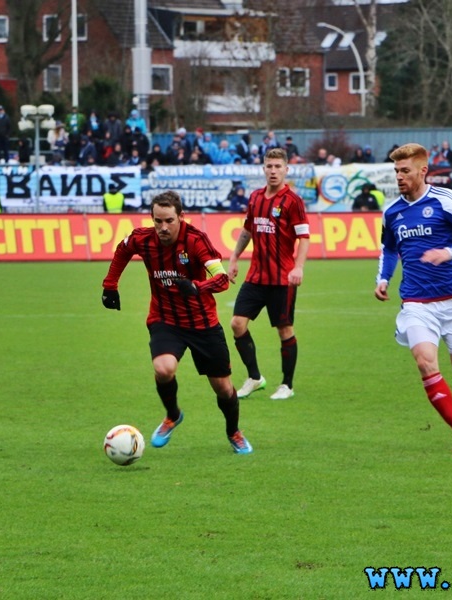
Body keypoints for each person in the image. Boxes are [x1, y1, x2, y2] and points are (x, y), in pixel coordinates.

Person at [100, 191, 252, 455]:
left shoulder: (196, 240)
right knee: (163, 368)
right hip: (165, 319)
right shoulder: (142, 239)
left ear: (181, 217)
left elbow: (222, 279)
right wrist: (110, 285)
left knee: (224, 388)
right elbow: (122, 250)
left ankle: (234, 432)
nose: (163, 227)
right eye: (157, 221)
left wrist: (196, 286)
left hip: (203, 323)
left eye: (169, 220)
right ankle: (173, 415)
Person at [374, 143, 452, 453]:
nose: (399, 176)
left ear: (423, 171)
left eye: (405, 171)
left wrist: (449, 252)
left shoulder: (448, 201)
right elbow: (389, 248)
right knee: (425, 363)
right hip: (415, 303)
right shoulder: (392, 211)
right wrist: (383, 278)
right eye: (396, 171)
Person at [227, 148, 310, 400]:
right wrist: (233, 258)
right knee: (237, 324)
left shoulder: (293, 201)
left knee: (284, 329)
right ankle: (255, 378)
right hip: (256, 277)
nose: (273, 171)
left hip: (282, 278)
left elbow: (304, 237)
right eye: (269, 166)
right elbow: (247, 231)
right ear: (263, 169)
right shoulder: (255, 198)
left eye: (278, 167)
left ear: (286, 170)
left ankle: (287, 385)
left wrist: (299, 267)